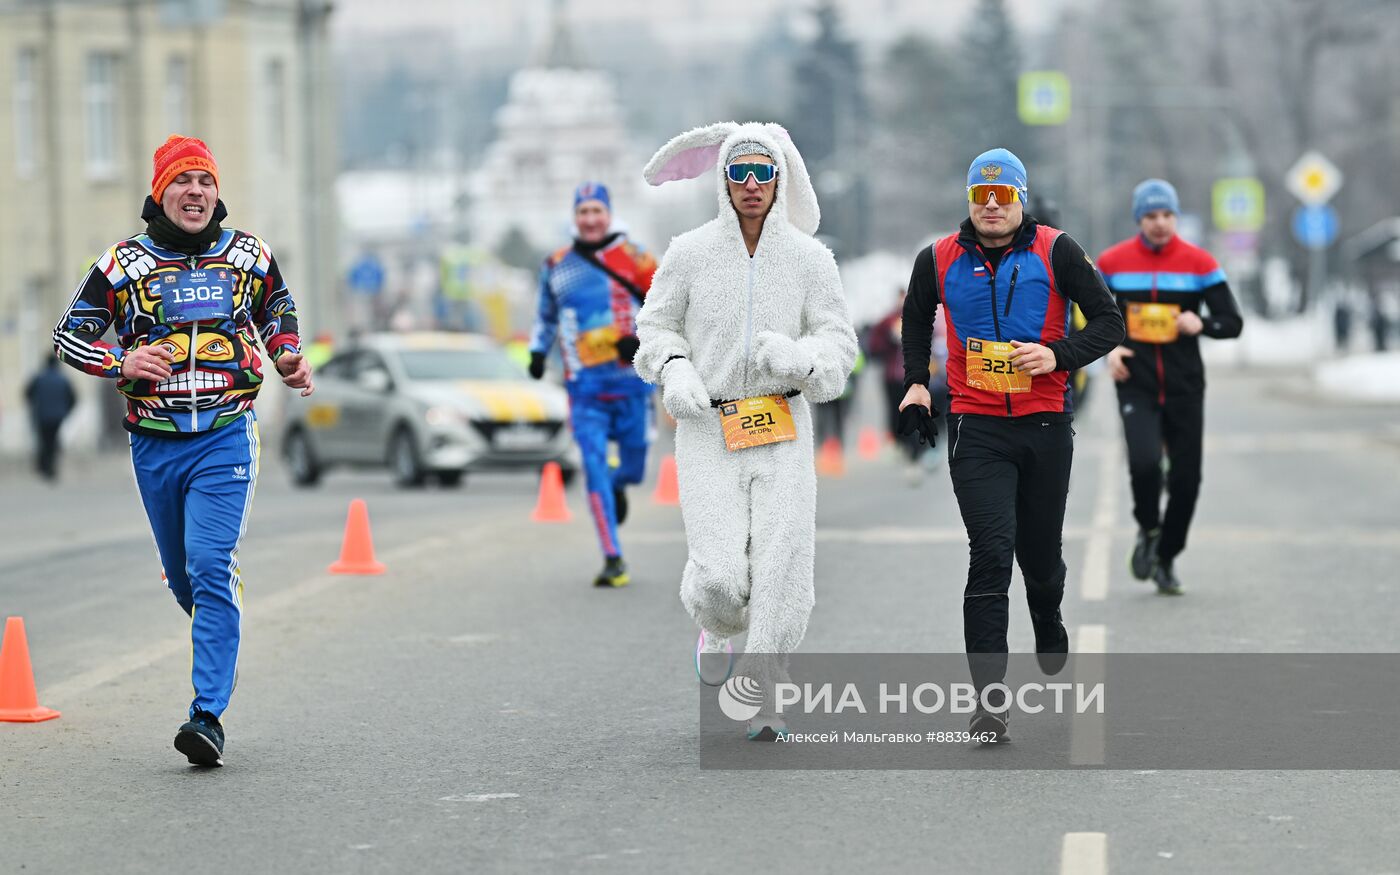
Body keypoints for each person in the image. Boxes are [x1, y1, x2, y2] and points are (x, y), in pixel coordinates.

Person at [52, 135, 313, 767]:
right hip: (155, 444)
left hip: (226, 433)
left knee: (208, 560)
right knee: (186, 578)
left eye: (205, 183)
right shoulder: (123, 264)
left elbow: (276, 305)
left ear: (216, 193)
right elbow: (69, 336)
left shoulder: (248, 255)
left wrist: (287, 353)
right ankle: (215, 602)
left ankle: (207, 715)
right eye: (183, 183)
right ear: (160, 192)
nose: (195, 193)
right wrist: (121, 359)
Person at [635, 122, 858, 741]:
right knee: (721, 579)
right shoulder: (689, 253)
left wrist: (800, 359)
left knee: (784, 567)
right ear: (723, 181)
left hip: (783, 424)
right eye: (740, 172)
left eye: (764, 172)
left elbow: (840, 344)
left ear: (780, 177)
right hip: (708, 427)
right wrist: (675, 370)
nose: (753, 185)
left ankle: (766, 695)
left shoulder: (811, 260)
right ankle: (715, 625)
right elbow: (654, 329)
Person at [898, 148, 1124, 741]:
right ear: (969, 201)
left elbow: (1109, 321)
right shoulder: (939, 257)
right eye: (981, 196)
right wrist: (918, 383)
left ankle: (1047, 614)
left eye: (1003, 197)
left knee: (1040, 558)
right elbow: (917, 318)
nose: (991, 207)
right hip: (977, 426)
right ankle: (989, 702)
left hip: (1046, 422)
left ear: (1020, 199)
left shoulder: (1057, 249)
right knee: (991, 553)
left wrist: (1058, 355)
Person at [1098, 179, 1243, 594]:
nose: (1159, 223)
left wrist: (1203, 323)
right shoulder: (1113, 263)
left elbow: (1232, 322)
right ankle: (1148, 527)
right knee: (1143, 463)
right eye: (1150, 216)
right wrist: (1112, 350)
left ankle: (1167, 556)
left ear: (1176, 216)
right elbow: (1089, 319)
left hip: (1184, 386)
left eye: (1166, 215)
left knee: (1187, 480)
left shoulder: (1199, 263)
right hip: (1136, 384)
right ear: (1138, 219)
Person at [528, 182, 657, 588]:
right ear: (574, 218)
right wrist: (536, 351)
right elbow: (546, 316)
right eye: (582, 211)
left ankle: (620, 484)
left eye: (596, 211)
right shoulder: (557, 264)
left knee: (634, 470)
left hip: (633, 385)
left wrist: (641, 341)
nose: (589, 219)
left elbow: (666, 313)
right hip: (584, 389)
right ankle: (612, 557)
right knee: (593, 468)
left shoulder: (637, 260)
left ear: (609, 214)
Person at [869, 289, 947, 484]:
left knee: (920, 415)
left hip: (918, 378)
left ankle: (919, 454)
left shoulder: (924, 316)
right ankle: (904, 447)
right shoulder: (888, 320)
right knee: (897, 416)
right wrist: (890, 337)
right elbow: (874, 346)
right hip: (894, 378)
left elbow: (934, 340)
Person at [24, 357, 76, 481]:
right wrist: (65, 411)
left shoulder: (39, 378)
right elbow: (73, 398)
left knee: (44, 441)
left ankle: (44, 467)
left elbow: (27, 393)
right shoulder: (62, 379)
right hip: (57, 417)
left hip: (41, 415)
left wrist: (35, 407)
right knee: (53, 441)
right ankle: (50, 468)